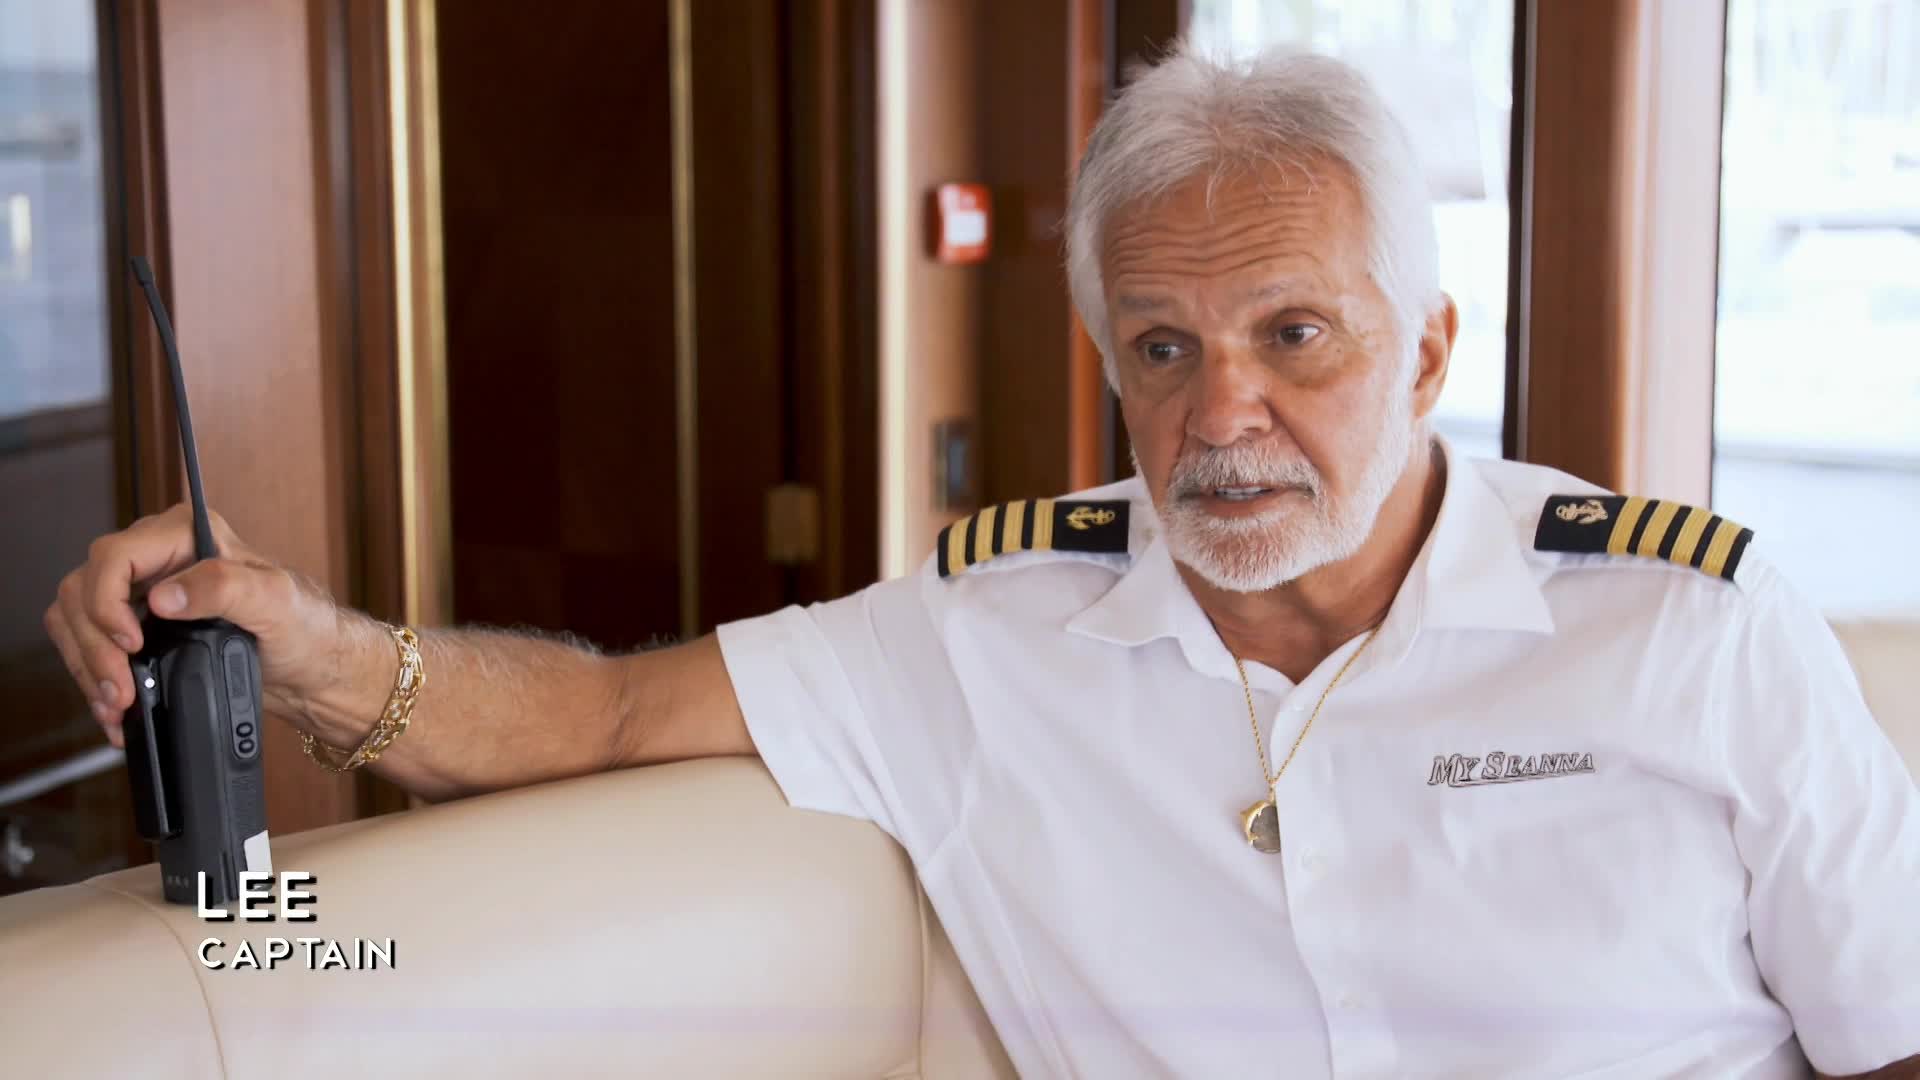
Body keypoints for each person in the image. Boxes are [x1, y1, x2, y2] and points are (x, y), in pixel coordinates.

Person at [45, 44, 1917, 1080]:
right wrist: (307, 643)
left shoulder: (1691, 632)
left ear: (1427, 352)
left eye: (1296, 335)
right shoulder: (990, 636)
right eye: (1163, 349)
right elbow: (605, 717)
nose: (1224, 412)